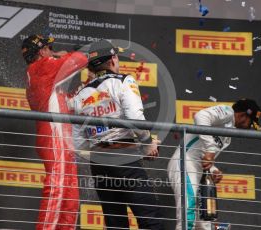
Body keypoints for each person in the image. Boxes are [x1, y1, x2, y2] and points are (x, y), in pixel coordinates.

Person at [72, 39, 164, 229]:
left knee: (116, 224)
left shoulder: (80, 96)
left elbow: (78, 142)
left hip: (98, 163)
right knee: (150, 219)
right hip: (125, 158)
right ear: (113, 59)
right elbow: (135, 119)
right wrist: (147, 143)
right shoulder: (123, 81)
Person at [21, 34, 88, 230]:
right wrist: (75, 52)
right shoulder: (41, 67)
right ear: (42, 52)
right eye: (50, 49)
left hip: (59, 138)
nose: (52, 51)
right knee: (57, 190)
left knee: (70, 195)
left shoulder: (45, 77)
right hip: (53, 136)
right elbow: (80, 59)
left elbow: (65, 103)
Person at [167, 99, 261, 230]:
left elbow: (203, 155)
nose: (249, 127)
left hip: (196, 169)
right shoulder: (227, 112)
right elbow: (200, 116)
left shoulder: (228, 136)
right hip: (184, 161)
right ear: (242, 115)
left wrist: (213, 170)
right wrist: (211, 149)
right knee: (188, 212)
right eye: (250, 123)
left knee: (204, 221)